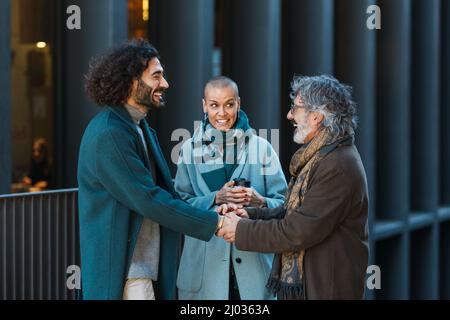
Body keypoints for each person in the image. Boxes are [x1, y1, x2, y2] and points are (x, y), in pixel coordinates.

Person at [78, 39, 228, 300]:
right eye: (156, 76)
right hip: (127, 274)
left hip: (143, 269)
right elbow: (149, 199)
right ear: (132, 81)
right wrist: (216, 223)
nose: (165, 84)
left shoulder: (137, 126)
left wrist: (214, 204)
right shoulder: (110, 134)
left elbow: (163, 192)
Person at [218, 75, 369, 300]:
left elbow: (298, 231)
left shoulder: (337, 165)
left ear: (317, 116)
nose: (289, 115)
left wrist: (240, 230)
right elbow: (295, 213)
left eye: (295, 108)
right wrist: (250, 214)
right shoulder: (322, 155)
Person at [174, 76, 287, 300]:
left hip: (254, 273)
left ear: (238, 103)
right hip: (204, 273)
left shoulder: (261, 148)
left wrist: (260, 201)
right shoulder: (189, 150)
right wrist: (215, 197)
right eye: (214, 105)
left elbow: (286, 204)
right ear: (204, 105)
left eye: (229, 104)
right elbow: (178, 207)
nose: (222, 113)